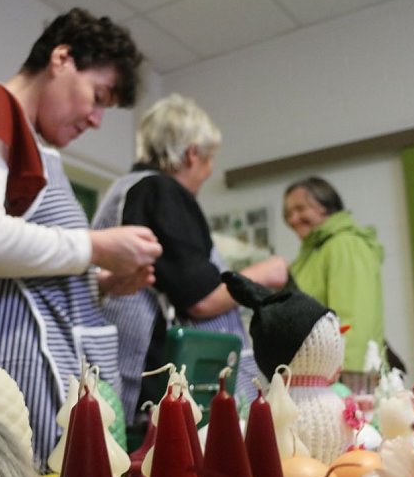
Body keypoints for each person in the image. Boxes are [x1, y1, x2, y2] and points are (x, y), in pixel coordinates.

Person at [0, 8, 162, 470]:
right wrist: (96, 246)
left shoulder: (32, 144)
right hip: (5, 373)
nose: (96, 120)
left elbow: (28, 271)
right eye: (98, 96)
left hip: (45, 379)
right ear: (61, 58)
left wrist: (102, 282)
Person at [92, 93, 288, 428]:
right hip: (155, 381)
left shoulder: (123, 190)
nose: (209, 171)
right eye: (210, 159)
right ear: (192, 153)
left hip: (120, 370)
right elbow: (202, 299)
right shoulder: (163, 192)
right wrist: (265, 273)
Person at [282, 176, 385, 393]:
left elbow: (354, 319)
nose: (293, 218)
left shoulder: (344, 244)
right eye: (288, 213)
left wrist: (344, 381)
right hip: (321, 377)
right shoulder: (311, 254)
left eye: (300, 208)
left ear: (325, 208)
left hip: (348, 379)